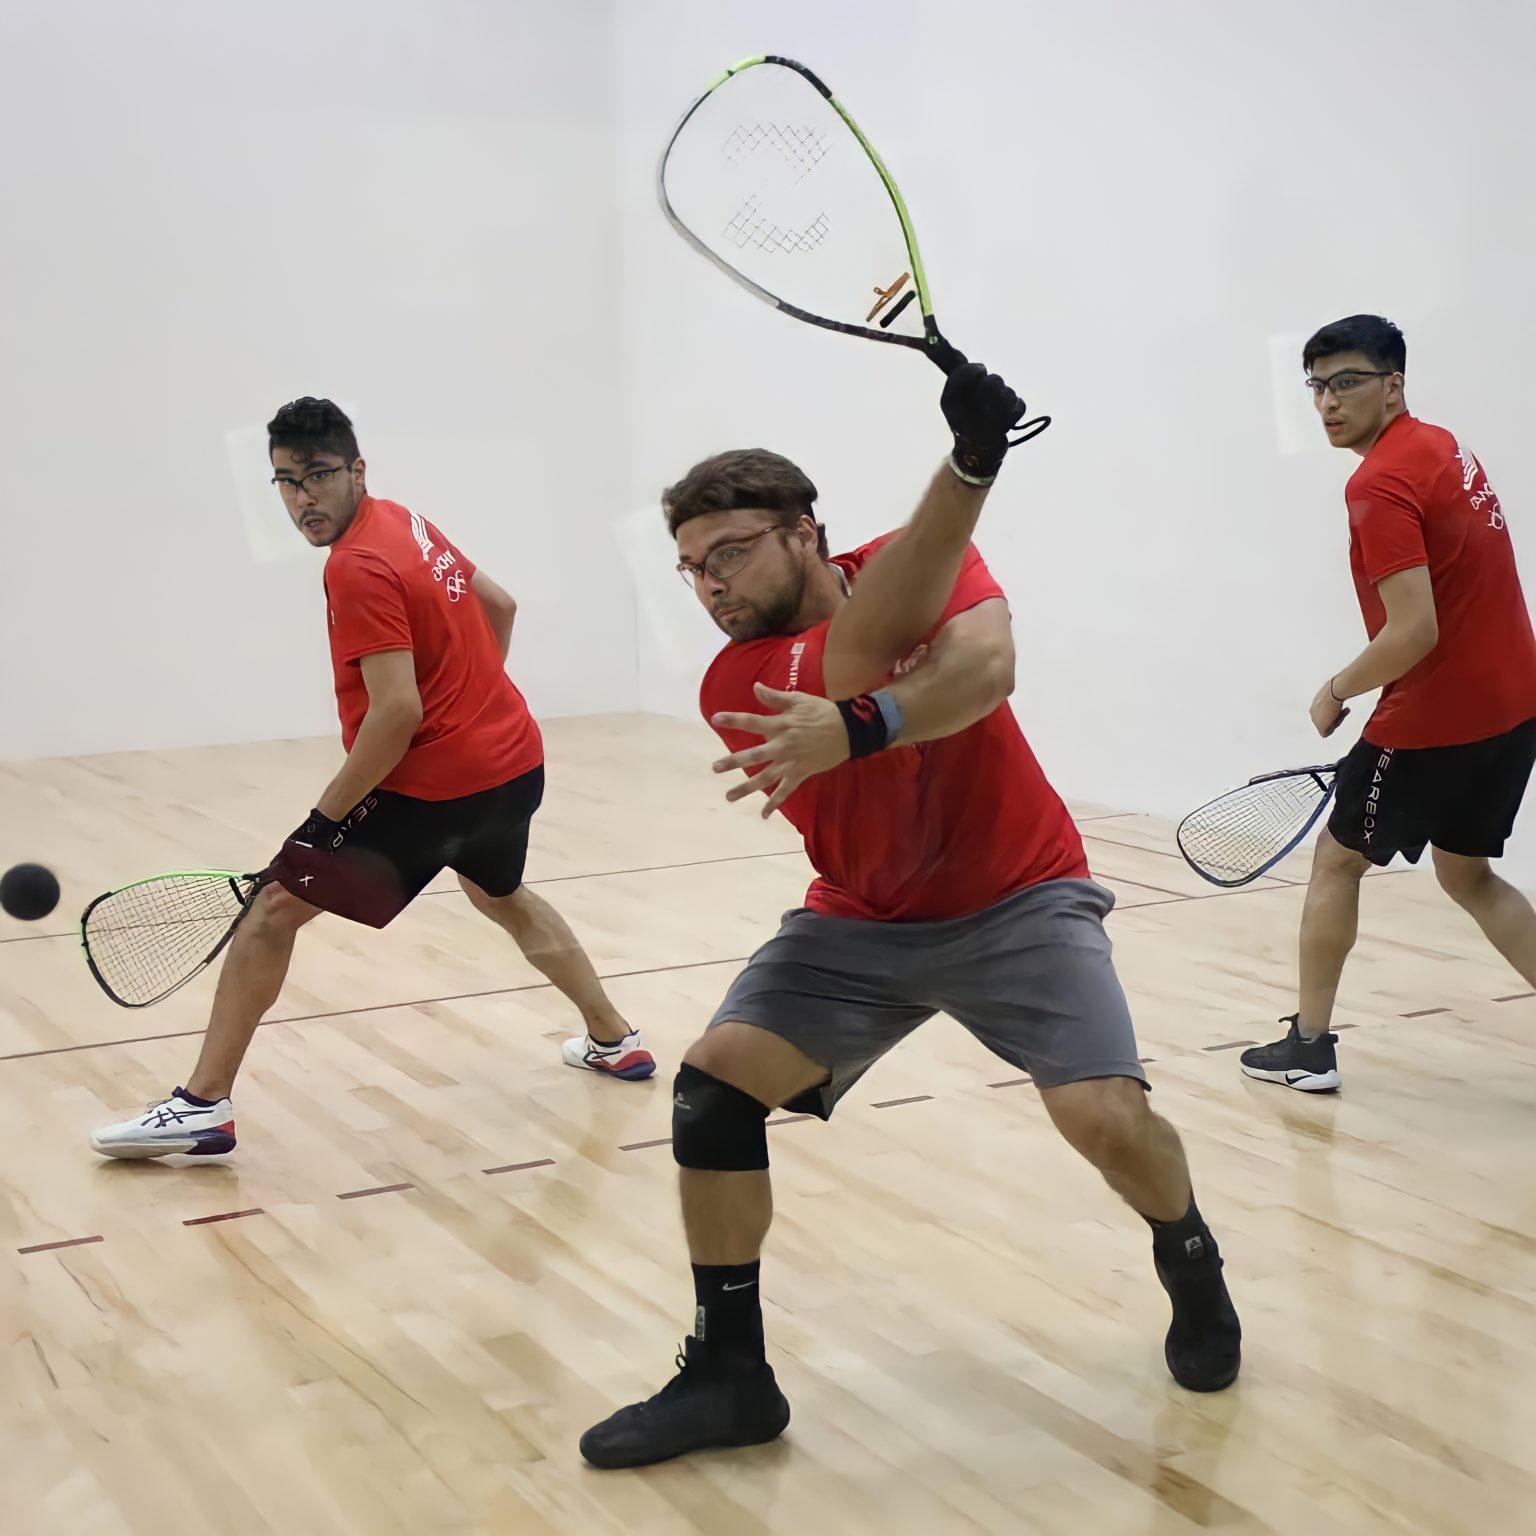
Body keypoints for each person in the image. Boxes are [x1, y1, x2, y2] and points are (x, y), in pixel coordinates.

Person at [579, 360, 1241, 1470]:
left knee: (1105, 1122)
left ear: (805, 533)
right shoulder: (741, 675)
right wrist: (970, 468)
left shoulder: (917, 562)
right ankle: (732, 1375)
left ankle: (1189, 1252)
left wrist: (874, 714)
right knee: (713, 1091)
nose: (710, 585)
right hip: (861, 928)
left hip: (1021, 899)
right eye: (691, 568)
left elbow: (986, 670)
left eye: (731, 552)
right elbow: (864, 651)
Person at [91, 398, 653, 1158]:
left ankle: (203, 1106)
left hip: (432, 789)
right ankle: (614, 1040)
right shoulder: (405, 521)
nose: (303, 500)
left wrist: (320, 824)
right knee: (500, 892)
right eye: (285, 482)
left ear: (357, 469)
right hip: (512, 763)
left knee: (271, 912)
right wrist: (475, 698)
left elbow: (395, 716)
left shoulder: (356, 566)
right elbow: (501, 604)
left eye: (318, 476)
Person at [1241, 315, 1536, 1093]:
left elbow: (1414, 631)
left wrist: (1336, 689)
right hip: (1516, 702)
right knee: (1467, 875)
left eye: (1346, 383)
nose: (1328, 403)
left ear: (1393, 384)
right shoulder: (1444, 447)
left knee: (1337, 863)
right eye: (1316, 387)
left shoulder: (1377, 484)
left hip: (1440, 716)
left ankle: (1308, 1046)